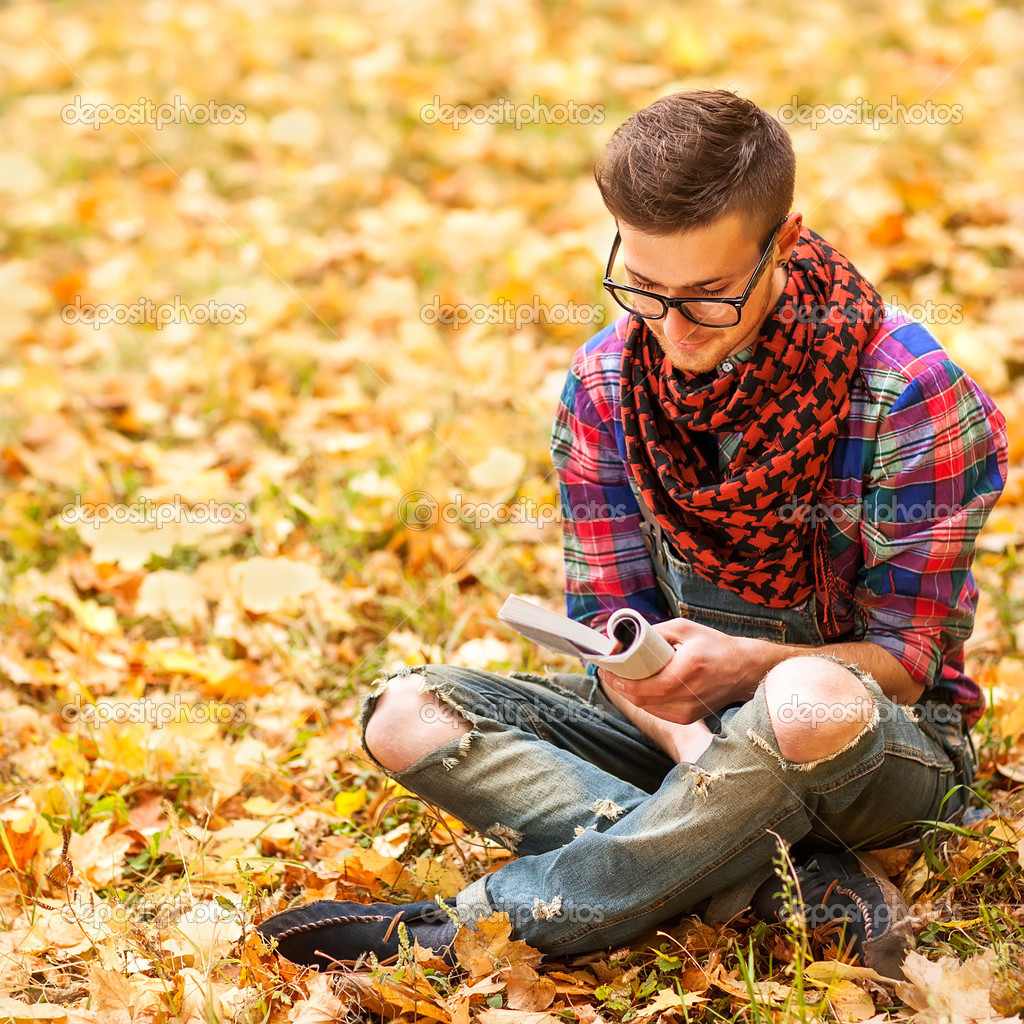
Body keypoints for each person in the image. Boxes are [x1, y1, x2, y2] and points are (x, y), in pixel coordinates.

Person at [258, 90, 1008, 980]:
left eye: (708, 295)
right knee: (406, 716)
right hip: (670, 735)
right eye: (644, 287)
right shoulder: (607, 381)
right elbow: (611, 632)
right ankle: (786, 879)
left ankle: (470, 931)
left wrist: (744, 671)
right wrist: (694, 749)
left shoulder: (908, 392)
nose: (672, 326)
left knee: (806, 693)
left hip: (868, 747)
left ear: (787, 238)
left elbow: (910, 657)